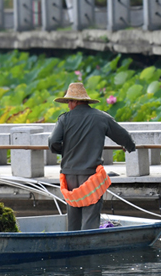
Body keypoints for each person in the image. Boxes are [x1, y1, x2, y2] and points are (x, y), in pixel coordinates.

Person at [48, 82, 136, 231]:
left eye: (69, 101)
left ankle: (73, 247)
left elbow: (53, 142)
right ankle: (88, 248)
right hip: (90, 177)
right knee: (90, 219)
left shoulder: (64, 119)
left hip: (69, 176)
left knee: (73, 218)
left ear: (75, 101)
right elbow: (124, 137)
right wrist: (130, 147)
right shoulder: (101, 117)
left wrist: (66, 151)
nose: (68, 104)